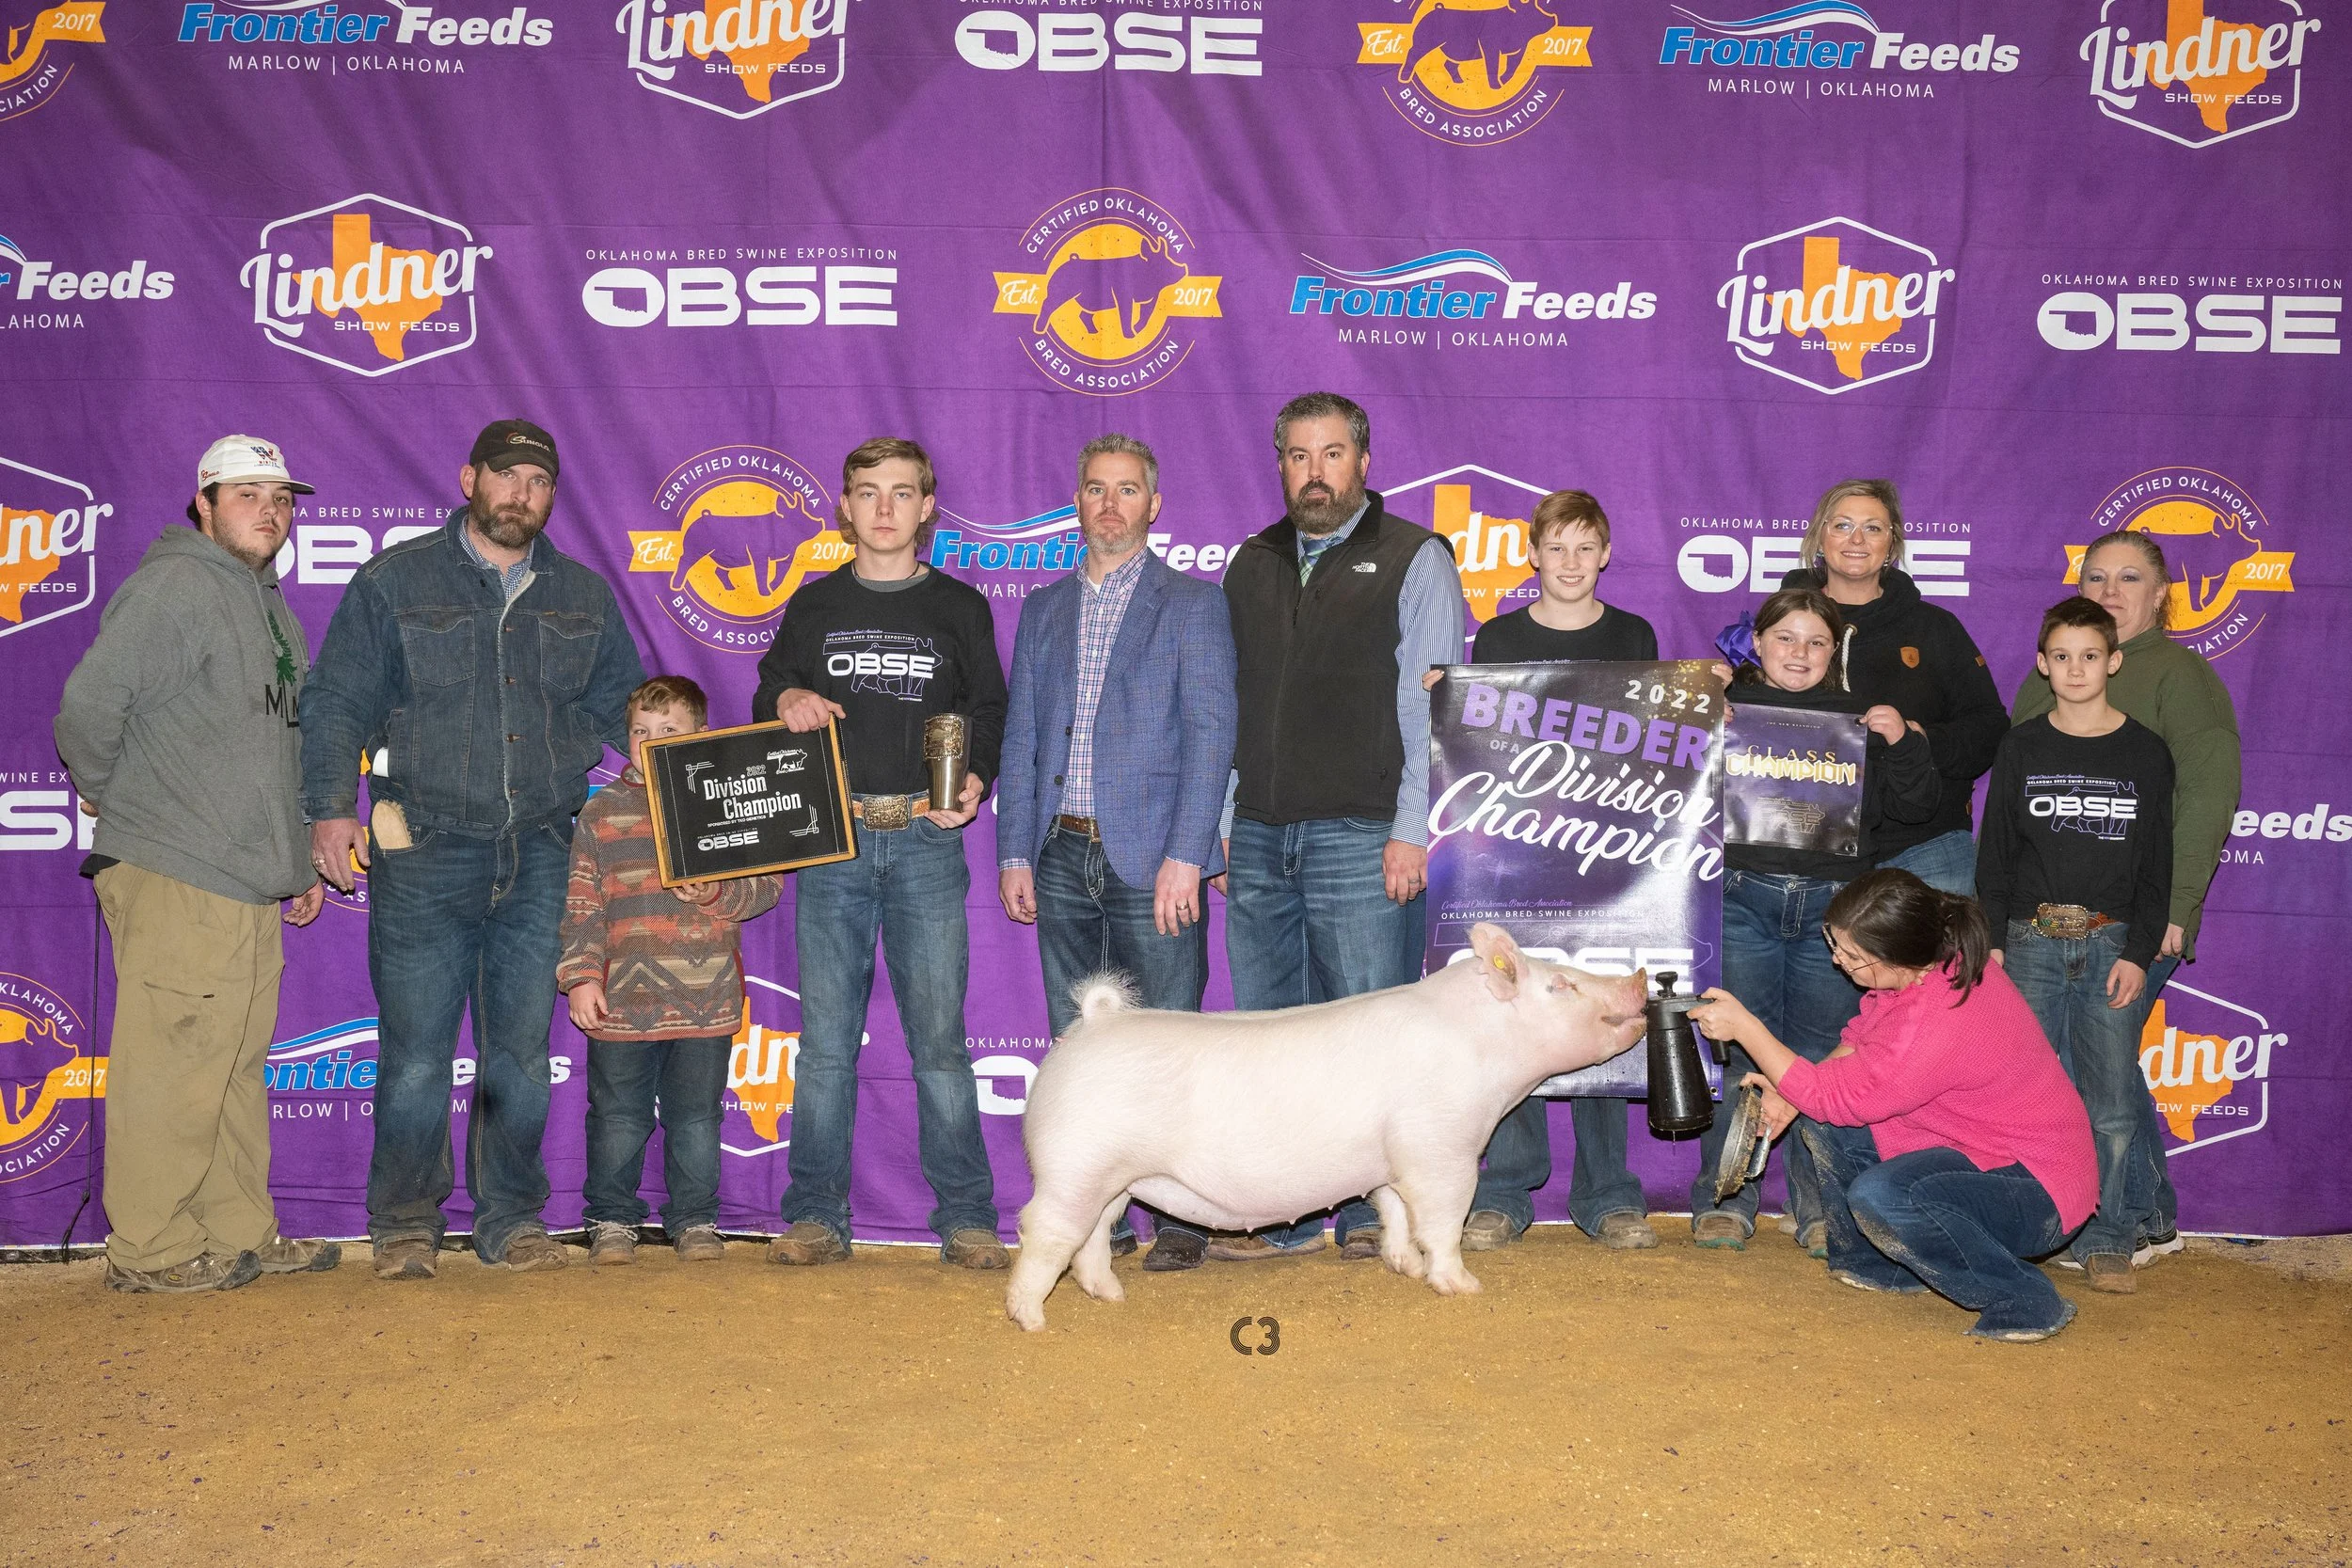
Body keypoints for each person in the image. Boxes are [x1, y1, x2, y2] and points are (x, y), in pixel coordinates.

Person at [301, 420, 645, 1280]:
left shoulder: (584, 596)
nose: (520, 493)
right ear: (468, 478)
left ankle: (511, 1218)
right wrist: (327, 809)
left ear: (551, 495)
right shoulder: (394, 580)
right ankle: (407, 1223)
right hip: (423, 846)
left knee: (521, 1050)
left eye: (538, 480)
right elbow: (338, 699)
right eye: (506, 475)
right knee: (417, 1050)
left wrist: (694, 775)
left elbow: (626, 715)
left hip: (540, 850)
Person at [54, 435, 337, 1292]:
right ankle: (151, 1246)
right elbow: (87, 710)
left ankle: (237, 1229)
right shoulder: (177, 586)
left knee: (231, 1068)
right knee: (174, 1067)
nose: (270, 511)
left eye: (280, 497)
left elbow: (274, 750)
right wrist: (121, 799)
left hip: (245, 879)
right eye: (247, 494)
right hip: (179, 868)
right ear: (203, 503)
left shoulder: (268, 606)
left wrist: (295, 864)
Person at [1215, 392, 1468, 1261]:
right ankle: (1281, 1213)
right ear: (1279, 463)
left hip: (1365, 833)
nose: (1313, 472)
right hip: (1257, 833)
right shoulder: (1249, 563)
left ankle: (1372, 1215)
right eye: (1296, 455)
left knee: (1369, 1038)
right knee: (1272, 1037)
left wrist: (1412, 825)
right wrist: (1224, 814)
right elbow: (1232, 702)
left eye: (1331, 454)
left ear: (1364, 461)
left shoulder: (1414, 556)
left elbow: (1434, 705)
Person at [751, 437, 1009, 1270]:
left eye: (903, 492)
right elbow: (770, 689)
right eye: (869, 492)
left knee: (938, 1038)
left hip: (928, 838)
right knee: (826, 1037)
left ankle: (967, 1213)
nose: (886, 508)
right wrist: (785, 695)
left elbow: (991, 708)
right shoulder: (814, 603)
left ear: (928, 505)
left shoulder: (961, 608)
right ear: (846, 505)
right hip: (833, 837)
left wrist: (976, 775)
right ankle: (817, 1214)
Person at [996, 434, 1236, 1274]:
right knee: (1081, 1051)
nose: (1110, 504)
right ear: (1078, 500)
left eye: (1127, 490)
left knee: (1170, 1044)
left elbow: (1212, 734)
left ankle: (1185, 1216)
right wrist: (1014, 849)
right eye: (1096, 488)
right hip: (1061, 851)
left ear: (1153, 504)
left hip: (1153, 860)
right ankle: (1100, 1211)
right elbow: (1023, 733)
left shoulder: (1194, 605)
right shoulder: (1044, 608)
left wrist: (1188, 853)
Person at [1690, 870, 2097, 1343]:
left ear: (1898, 956)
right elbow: (1857, 1043)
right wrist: (1788, 1094)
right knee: (1821, 1122)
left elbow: (1831, 1095)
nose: (1838, 961)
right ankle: (1880, 1266)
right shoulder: (1932, 968)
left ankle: (2026, 1300)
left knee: (1882, 1194)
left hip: (2037, 1192)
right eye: (1835, 944)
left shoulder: (1939, 1017)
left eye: (1854, 957)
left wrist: (1747, 1028)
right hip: (1982, 1154)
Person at [2010, 529, 2241, 1267]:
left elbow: (2207, 795)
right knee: (2088, 1060)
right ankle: (2144, 1216)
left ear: (2161, 594)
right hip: (2045, 919)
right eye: (2098, 575)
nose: (2111, 590)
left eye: (2130, 578)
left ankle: (2131, 1217)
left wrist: (2174, 907)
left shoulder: (2181, 675)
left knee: (2100, 1059)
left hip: (2137, 913)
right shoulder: (2043, 680)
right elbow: (2019, 799)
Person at [1691, 588, 1938, 1254]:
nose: (1799, 653)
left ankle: (1821, 1205)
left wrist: (1902, 740)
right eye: (1784, 638)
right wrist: (1696, 696)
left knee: (1825, 1060)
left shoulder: (1856, 717)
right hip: (1742, 896)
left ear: (1835, 653)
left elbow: (1917, 805)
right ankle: (1728, 1196)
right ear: (1758, 643)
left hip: (1835, 912)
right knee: (1739, 1047)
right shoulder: (1726, 707)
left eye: (1815, 642)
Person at [1454, 490, 1661, 1253]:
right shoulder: (1501, 636)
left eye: (1586, 548)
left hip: (1612, 847)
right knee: (1517, 1012)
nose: (1571, 563)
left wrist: (1707, 714)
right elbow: (1481, 738)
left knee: (1600, 1006)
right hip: (1519, 846)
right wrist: (1449, 700)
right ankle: (1505, 1187)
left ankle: (1608, 1193)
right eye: (1557, 547)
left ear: (1605, 555)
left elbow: (1658, 733)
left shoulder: (1635, 634)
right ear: (1533, 555)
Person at [1977, 597, 2172, 1294]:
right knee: (2026, 1090)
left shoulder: (2145, 751)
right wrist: (1992, 942)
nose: (2076, 668)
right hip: (2029, 941)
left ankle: (2109, 1233)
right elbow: (1995, 854)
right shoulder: (2023, 746)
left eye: (2090, 655)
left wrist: (2138, 952)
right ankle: (2032, 1223)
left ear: (2113, 661)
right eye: (2062, 656)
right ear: (2042, 663)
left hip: (2111, 942)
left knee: (2112, 1098)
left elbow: (2158, 867)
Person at [558, 675, 779, 1266]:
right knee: (617, 1117)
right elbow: (581, 902)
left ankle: (695, 1219)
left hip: (705, 1000)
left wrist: (714, 891)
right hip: (621, 1001)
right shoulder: (601, 811)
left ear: (699, 735)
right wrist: (581, 975)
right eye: (640, 731)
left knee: (698, 1119)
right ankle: (609, 1217)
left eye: (668, 731)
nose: (651, 741)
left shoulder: (731, 799)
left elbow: (764, 889)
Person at [1777, 480, 2004, 895]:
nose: (1857, 539)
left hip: (1924, 849)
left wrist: (1920, 740)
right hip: (1810, 850)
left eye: (1874, 528)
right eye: (1842, 525)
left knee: (1941, 965)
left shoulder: (1935, 628)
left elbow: (1989, 728)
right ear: (1819, 537)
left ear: (1892, 543)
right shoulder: (1780, 625)